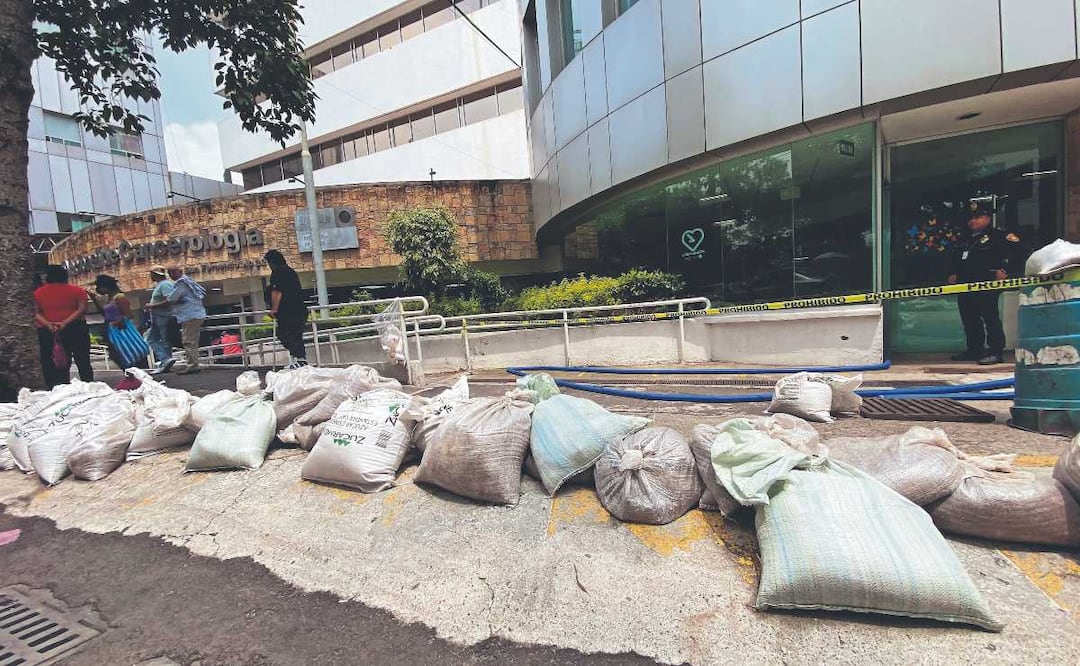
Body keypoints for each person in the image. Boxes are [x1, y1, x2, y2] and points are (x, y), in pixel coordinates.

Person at [948, 199, 1023, 365]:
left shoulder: (999, 236)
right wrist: (953, 273)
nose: (972, 221)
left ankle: (996, 351)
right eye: (970, 218)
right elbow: (958, 259)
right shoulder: (964, 238)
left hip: (987, 283)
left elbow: (1018, 253)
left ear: (988, 218)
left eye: (977, 217)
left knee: (990, 317)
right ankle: (975, 349)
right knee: (969, 319)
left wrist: (1005, 270)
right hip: (966, 284)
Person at [33, 264, 94, 388]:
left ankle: (60, 387)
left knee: (55, 362)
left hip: (49, 331)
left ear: (48, 277)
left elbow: (35, 313)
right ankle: (88, 385)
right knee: (82, 360)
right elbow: (82, 309)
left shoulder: (37, 293)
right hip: (76, 328)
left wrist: (48, 324)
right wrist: (65, 322)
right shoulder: (78, 291)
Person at [155, 267, 207, 375]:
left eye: (173, 272)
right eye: (170, 273)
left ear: (180, 272)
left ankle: (192, 365)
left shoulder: (181, 283)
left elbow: (171, 299)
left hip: (190, 315)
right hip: (196, 314)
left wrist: (152, 305)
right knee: (192, 341)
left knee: (188, 341)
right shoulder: (188, 281)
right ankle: (193, 364)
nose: (171, 275)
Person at [93, 274, 149, 370]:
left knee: (128, 351)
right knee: (118, 354)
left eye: (100, 287)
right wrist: (94, 300)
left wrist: (115, 322)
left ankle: (135, 371)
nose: (98, 290)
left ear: (106, 286)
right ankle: (131, 372)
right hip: (114, 331)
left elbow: (128, 315)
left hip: (123, 330)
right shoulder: (110, 298)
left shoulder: (119, 297)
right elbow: (105, 314)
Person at [264, 250, 309, 369]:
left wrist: (274, 309)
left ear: (272, 262)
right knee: (296, 335)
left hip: (288, 311)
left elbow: (277, 291)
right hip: (299, 309)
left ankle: (300, 359)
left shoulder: (278, 272)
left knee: (285, 334)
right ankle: (300, 359)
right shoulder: (290, 271)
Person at [143, 265, 178, 374]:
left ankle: (165, 359)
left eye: (151, 274)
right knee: (157, 339)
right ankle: (166, 362)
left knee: (158, 339)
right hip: (158, 317)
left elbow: (170, 300)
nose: (150, 276)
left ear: (155, 274)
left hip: (164, 317)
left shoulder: (165, 285)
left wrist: (152, 306)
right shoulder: (161, 285)